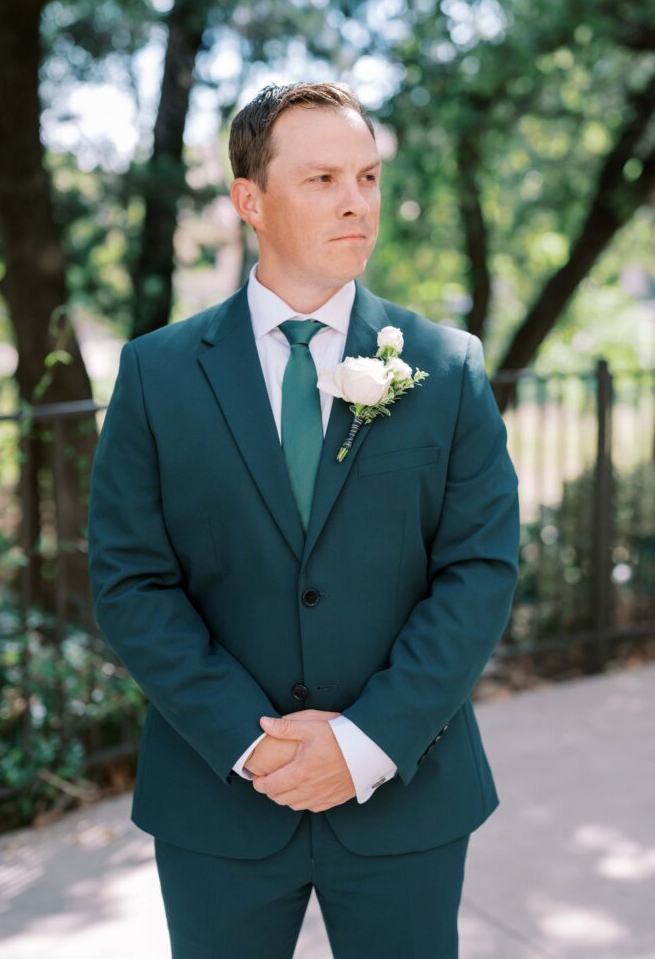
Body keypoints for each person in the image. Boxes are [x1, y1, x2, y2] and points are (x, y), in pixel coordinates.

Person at [87, 80, 520, 959]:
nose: (357, 202)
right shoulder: (156, 374)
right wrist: (255, 750)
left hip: (407, 794)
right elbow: (132, 581)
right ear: (250, 199)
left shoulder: (447, 365)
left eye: (366, 176)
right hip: (220, 799)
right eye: (322, 179)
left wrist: (365, 744)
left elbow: (479, 571)